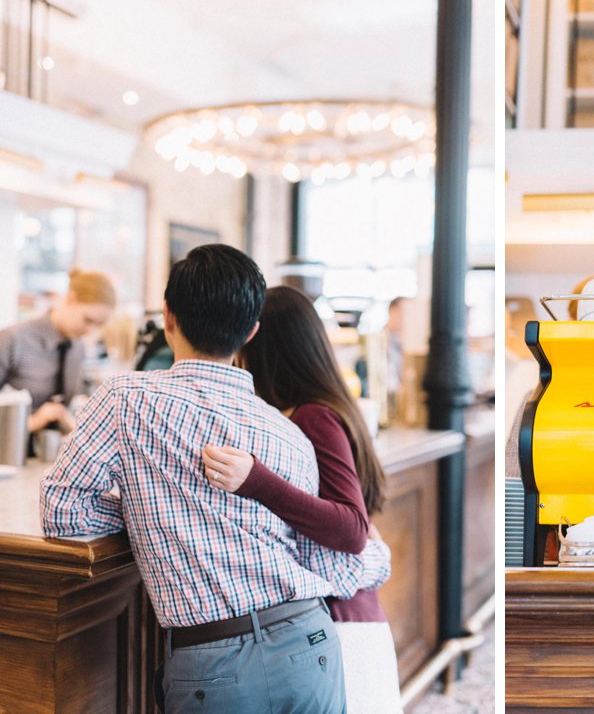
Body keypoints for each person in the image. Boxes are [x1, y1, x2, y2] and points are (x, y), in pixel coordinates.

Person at [40, 245, 389, 714]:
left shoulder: (126, 398)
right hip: (311, 642)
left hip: (215, 661)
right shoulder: (288, 432)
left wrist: (146, 507)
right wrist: (377, 560)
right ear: (251, 331)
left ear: (167, 316)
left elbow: (63, 511)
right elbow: (324, 561)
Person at [202, 285, 402, 714]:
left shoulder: (313, 415)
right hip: (346, 617)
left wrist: (257, 481)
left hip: (343, 623)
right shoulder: (319, 408)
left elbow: (350, 528)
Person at [0, 269, 116, 435]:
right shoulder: (12, 340)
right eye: (88, 320)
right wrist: (33, 421)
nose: (90, 331)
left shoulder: (78, 349)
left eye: (98, 325)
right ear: (71, 299)